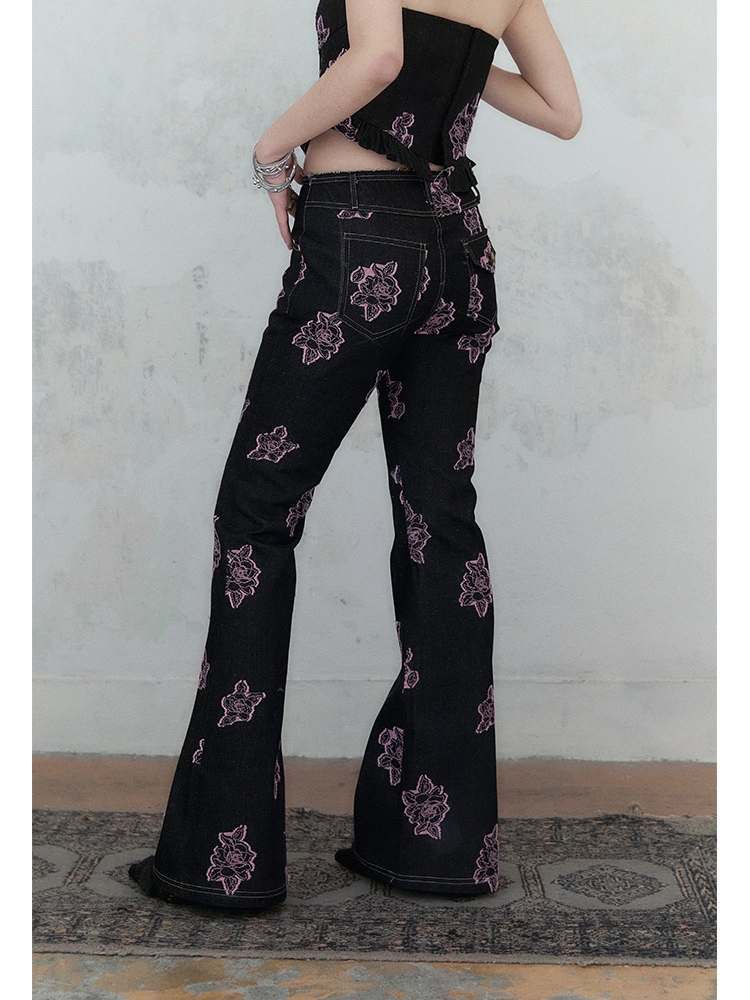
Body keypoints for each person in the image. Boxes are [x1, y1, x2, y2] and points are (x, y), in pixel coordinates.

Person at [129, 0, 581, 911]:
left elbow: (374, 59)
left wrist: (272, 148)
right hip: (458, 250)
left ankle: (224, 858)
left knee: (256, 514)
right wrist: (458, 56)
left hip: (359, 234)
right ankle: (438, 846)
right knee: (439, 525)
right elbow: (560, 110)